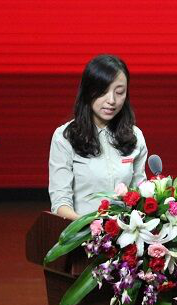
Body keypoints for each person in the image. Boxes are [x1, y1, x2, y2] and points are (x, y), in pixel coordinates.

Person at [48, 55, 148, 220]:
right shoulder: (65, 137)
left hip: (125, 238)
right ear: (88, 91)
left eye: (119, 92)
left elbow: (140, 195)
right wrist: (93, 229)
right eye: (102, 92)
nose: (111, 100)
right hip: (82, 237)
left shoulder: (134, 136)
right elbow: (60, 203)